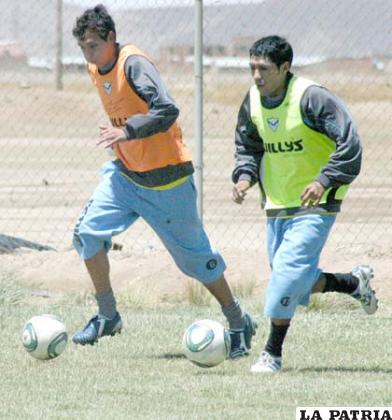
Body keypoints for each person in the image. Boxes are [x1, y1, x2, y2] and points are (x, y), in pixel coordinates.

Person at [71, 4, 257, 358]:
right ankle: (108, 315)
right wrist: (124, 140)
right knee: (87, 234)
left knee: (196, 262)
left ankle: (237, 320)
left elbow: (167, 109)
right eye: (83, 48)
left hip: (167, 181)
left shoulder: (134, 64)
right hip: (125, 177)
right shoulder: (96, 67)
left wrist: (126, 131)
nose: (89, 54)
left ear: (111, 38)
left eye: (93, 45)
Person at [232, 35, 378, 373]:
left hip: (318, 203)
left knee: (284, 279)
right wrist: (243, 177)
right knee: (298, 280)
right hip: (278, 205)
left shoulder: (312, 98)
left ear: (285, 68)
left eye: (264, 69)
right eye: (252, 67)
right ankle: (353, 283)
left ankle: (272, 353)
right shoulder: (252, 101)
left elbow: (350, 144)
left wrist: (323, 180)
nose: (256, 76)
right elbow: (247, 145)